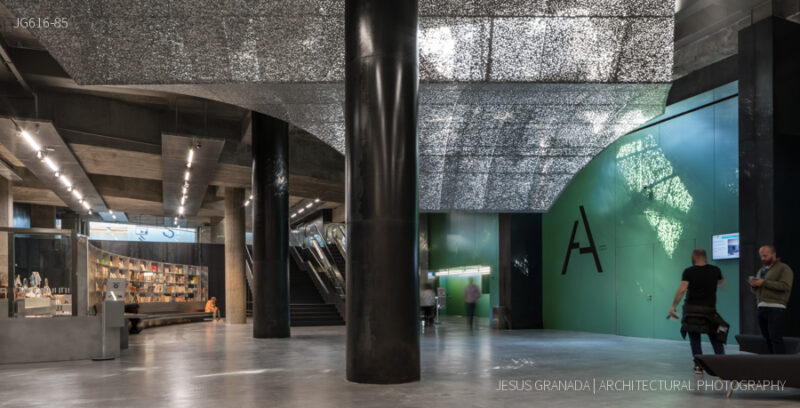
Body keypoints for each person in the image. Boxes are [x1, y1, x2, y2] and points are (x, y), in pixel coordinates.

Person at [668, 248, 727, 375]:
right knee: (716, 337)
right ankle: (723, 365)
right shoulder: (715, 270)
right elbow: (721, 281)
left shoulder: (688, 271)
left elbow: (682, 289)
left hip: (692, 311)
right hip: (709, 311)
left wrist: (673, 306)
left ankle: (698, 366)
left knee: (695, 339)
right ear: (705, 257)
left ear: (694, 257)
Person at [748, 245, 794, 354]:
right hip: (761, 307)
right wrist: (753, 285)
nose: (763, 258)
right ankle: (771, 363)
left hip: (776, 308)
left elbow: (785, 286)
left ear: (773, 254)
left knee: (775, 338)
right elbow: (756, 291)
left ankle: (780, 365)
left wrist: (764, 282)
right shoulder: (761, 270)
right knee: (767, 338)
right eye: (761, 256)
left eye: (765, 255)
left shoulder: (784, 268)